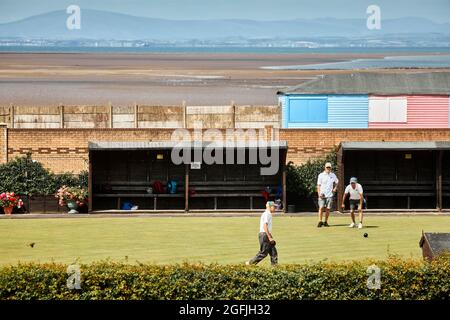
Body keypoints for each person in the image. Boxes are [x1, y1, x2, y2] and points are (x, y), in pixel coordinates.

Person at [246, 201, 278, 266]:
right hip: (264, 235)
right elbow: (265, 226)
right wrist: (269, 237)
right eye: (274, 207)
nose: (275, 208)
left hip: (266, 234)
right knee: (263, 253)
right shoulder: (267, 214)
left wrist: (271, 236)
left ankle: (275, 268)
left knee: (273, 252)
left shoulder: (268, 214)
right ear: (270, 207)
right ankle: (250, 263)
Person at [316, 162, 339, 227]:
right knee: (321, 208)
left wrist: (335, 188)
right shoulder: (321, 175)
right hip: (322, 194)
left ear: (331, 168)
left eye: (329, 167)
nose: (328, 168)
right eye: (327, 167)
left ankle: (325, 222)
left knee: (328, 209)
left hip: (330, 195)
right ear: (325, 167)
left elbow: (337, 182)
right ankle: (320, 221)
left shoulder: (333, 175)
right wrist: (319, 194)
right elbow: (318, 185)